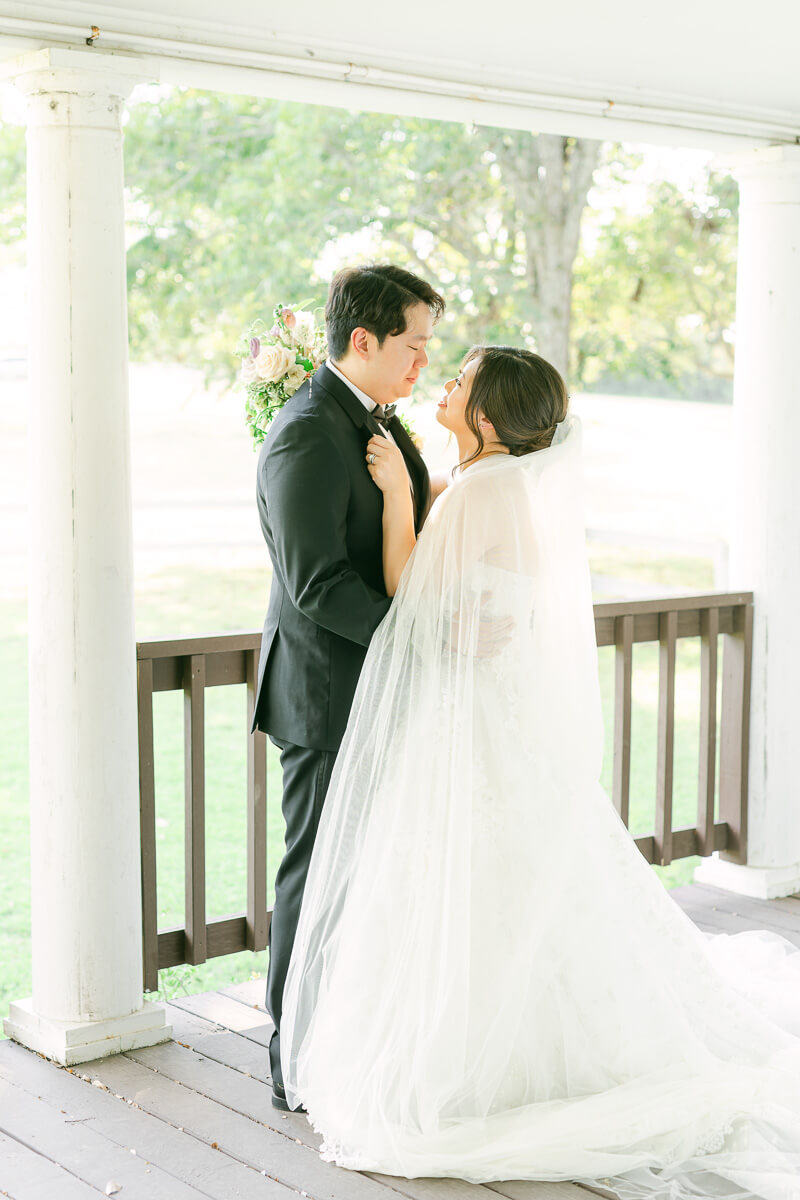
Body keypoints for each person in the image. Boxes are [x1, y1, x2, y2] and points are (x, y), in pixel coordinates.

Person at [280, 345, 800, 1199]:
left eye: (463, 378)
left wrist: (402, 499)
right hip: (488, 711)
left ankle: (488, 1063)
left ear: (487, 417)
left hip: (473, 717)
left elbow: (414, 592)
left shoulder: (485, 490)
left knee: (476, 879)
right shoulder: (497, 486)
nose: (446, 380)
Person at [251, 263, 445, 1111]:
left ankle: (346, 1039)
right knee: (315, 869)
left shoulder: (376, 422)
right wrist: (419, 642)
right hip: (327, 696)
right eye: (412, 346)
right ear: (361, 340)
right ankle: (291, 1053)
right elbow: (316, 583)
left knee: (366, 871)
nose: (421, 366)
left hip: (377, 688)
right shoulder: (304, 432)